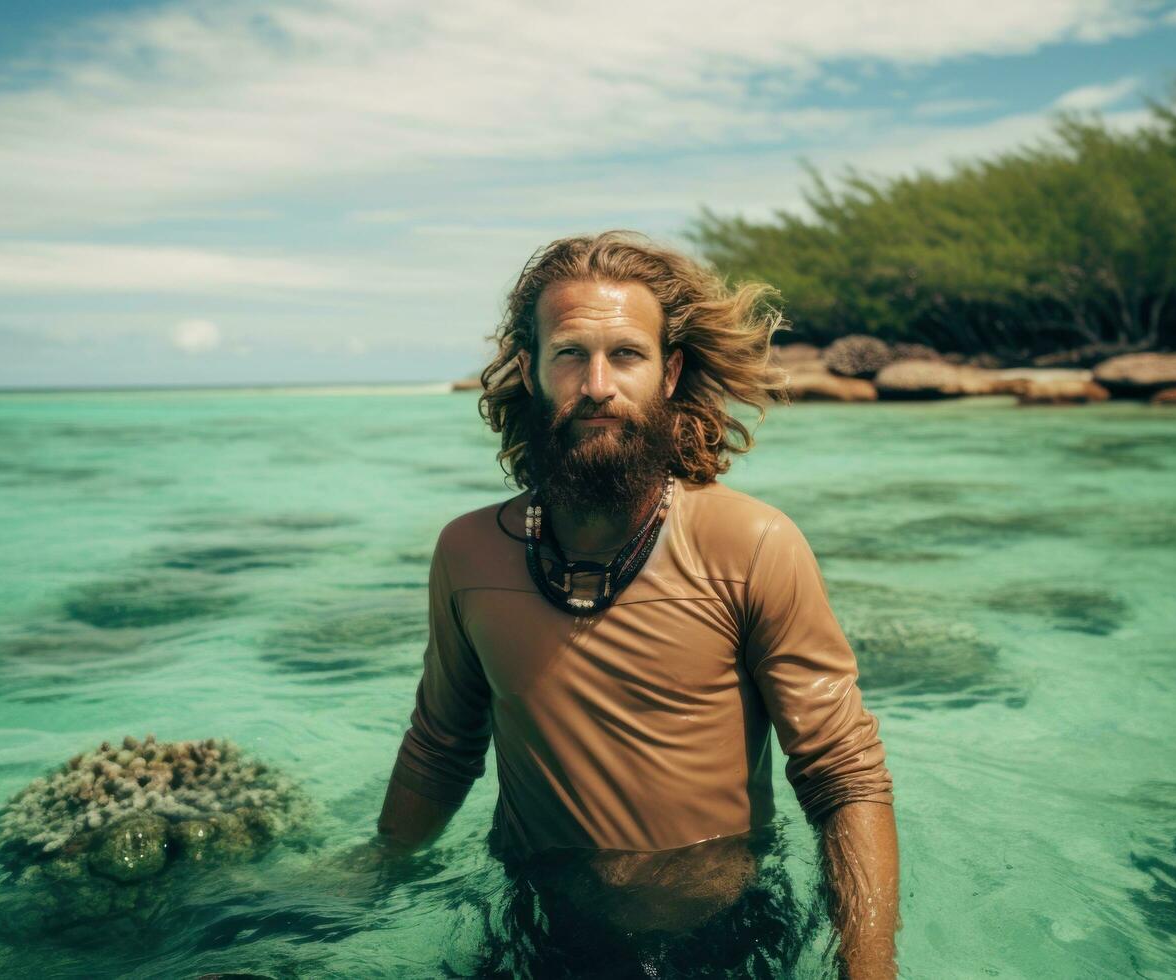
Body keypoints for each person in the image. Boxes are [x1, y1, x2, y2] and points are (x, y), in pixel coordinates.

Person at [369, 231, 899, 978]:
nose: (596, 384)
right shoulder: (468, 554)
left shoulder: (749, 545)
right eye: (568, 355)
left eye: (625, 354)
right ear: (529, 371)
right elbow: (440, 745)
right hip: (535, 931)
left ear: (669, 371)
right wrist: (373, 869)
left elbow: (843, 775)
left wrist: (869, 971)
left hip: (723, 939)